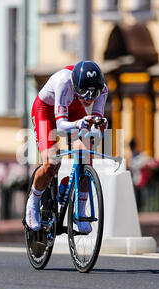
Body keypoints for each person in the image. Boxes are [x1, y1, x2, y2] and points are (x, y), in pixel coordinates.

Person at [25, 60, 109, 232]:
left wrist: (99, 125)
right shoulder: (64, 82)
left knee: (85, 156)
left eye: (93, 95)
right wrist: (80, 123)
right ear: (76, 86)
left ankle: (79, 212)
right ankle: (33, 203)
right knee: (52, 162)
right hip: (46, 110)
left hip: (74, 109)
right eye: (84, 93)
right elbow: (62, 125)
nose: (89, 99)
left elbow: (94, 125)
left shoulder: (102, 90)